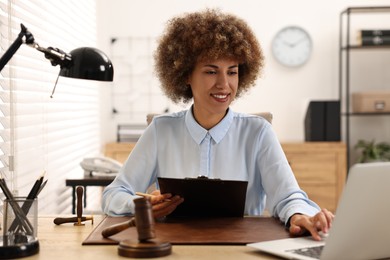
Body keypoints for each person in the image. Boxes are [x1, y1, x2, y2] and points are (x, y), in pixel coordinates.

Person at [102, 8, 333, 241]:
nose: (224, 84)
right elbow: (113, 195)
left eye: (232, 72)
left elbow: (288, 196)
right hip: (175, 250)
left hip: (242, 250)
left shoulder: (258, 132)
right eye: (211, 71)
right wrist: (142, 204)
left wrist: (301, 214)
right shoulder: (161, 130)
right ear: (185, 75)